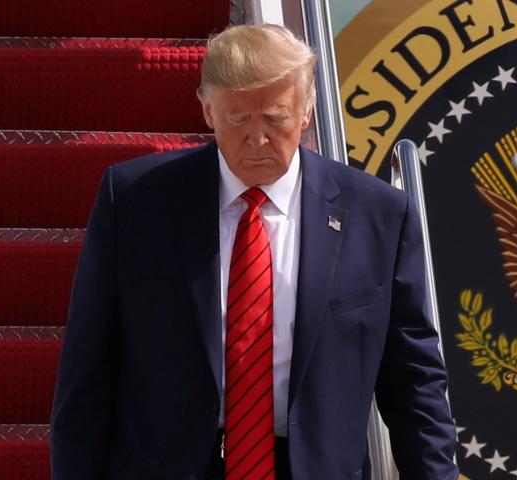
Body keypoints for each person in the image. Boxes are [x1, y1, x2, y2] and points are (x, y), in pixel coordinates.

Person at [50, 24, 458, 480]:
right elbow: (87, 372)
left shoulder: (379, 215)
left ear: (306, 113)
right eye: (238, 118)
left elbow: (414, 382)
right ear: (207, 109)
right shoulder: (135, 202)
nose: (257, 139)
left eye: (276, 118)